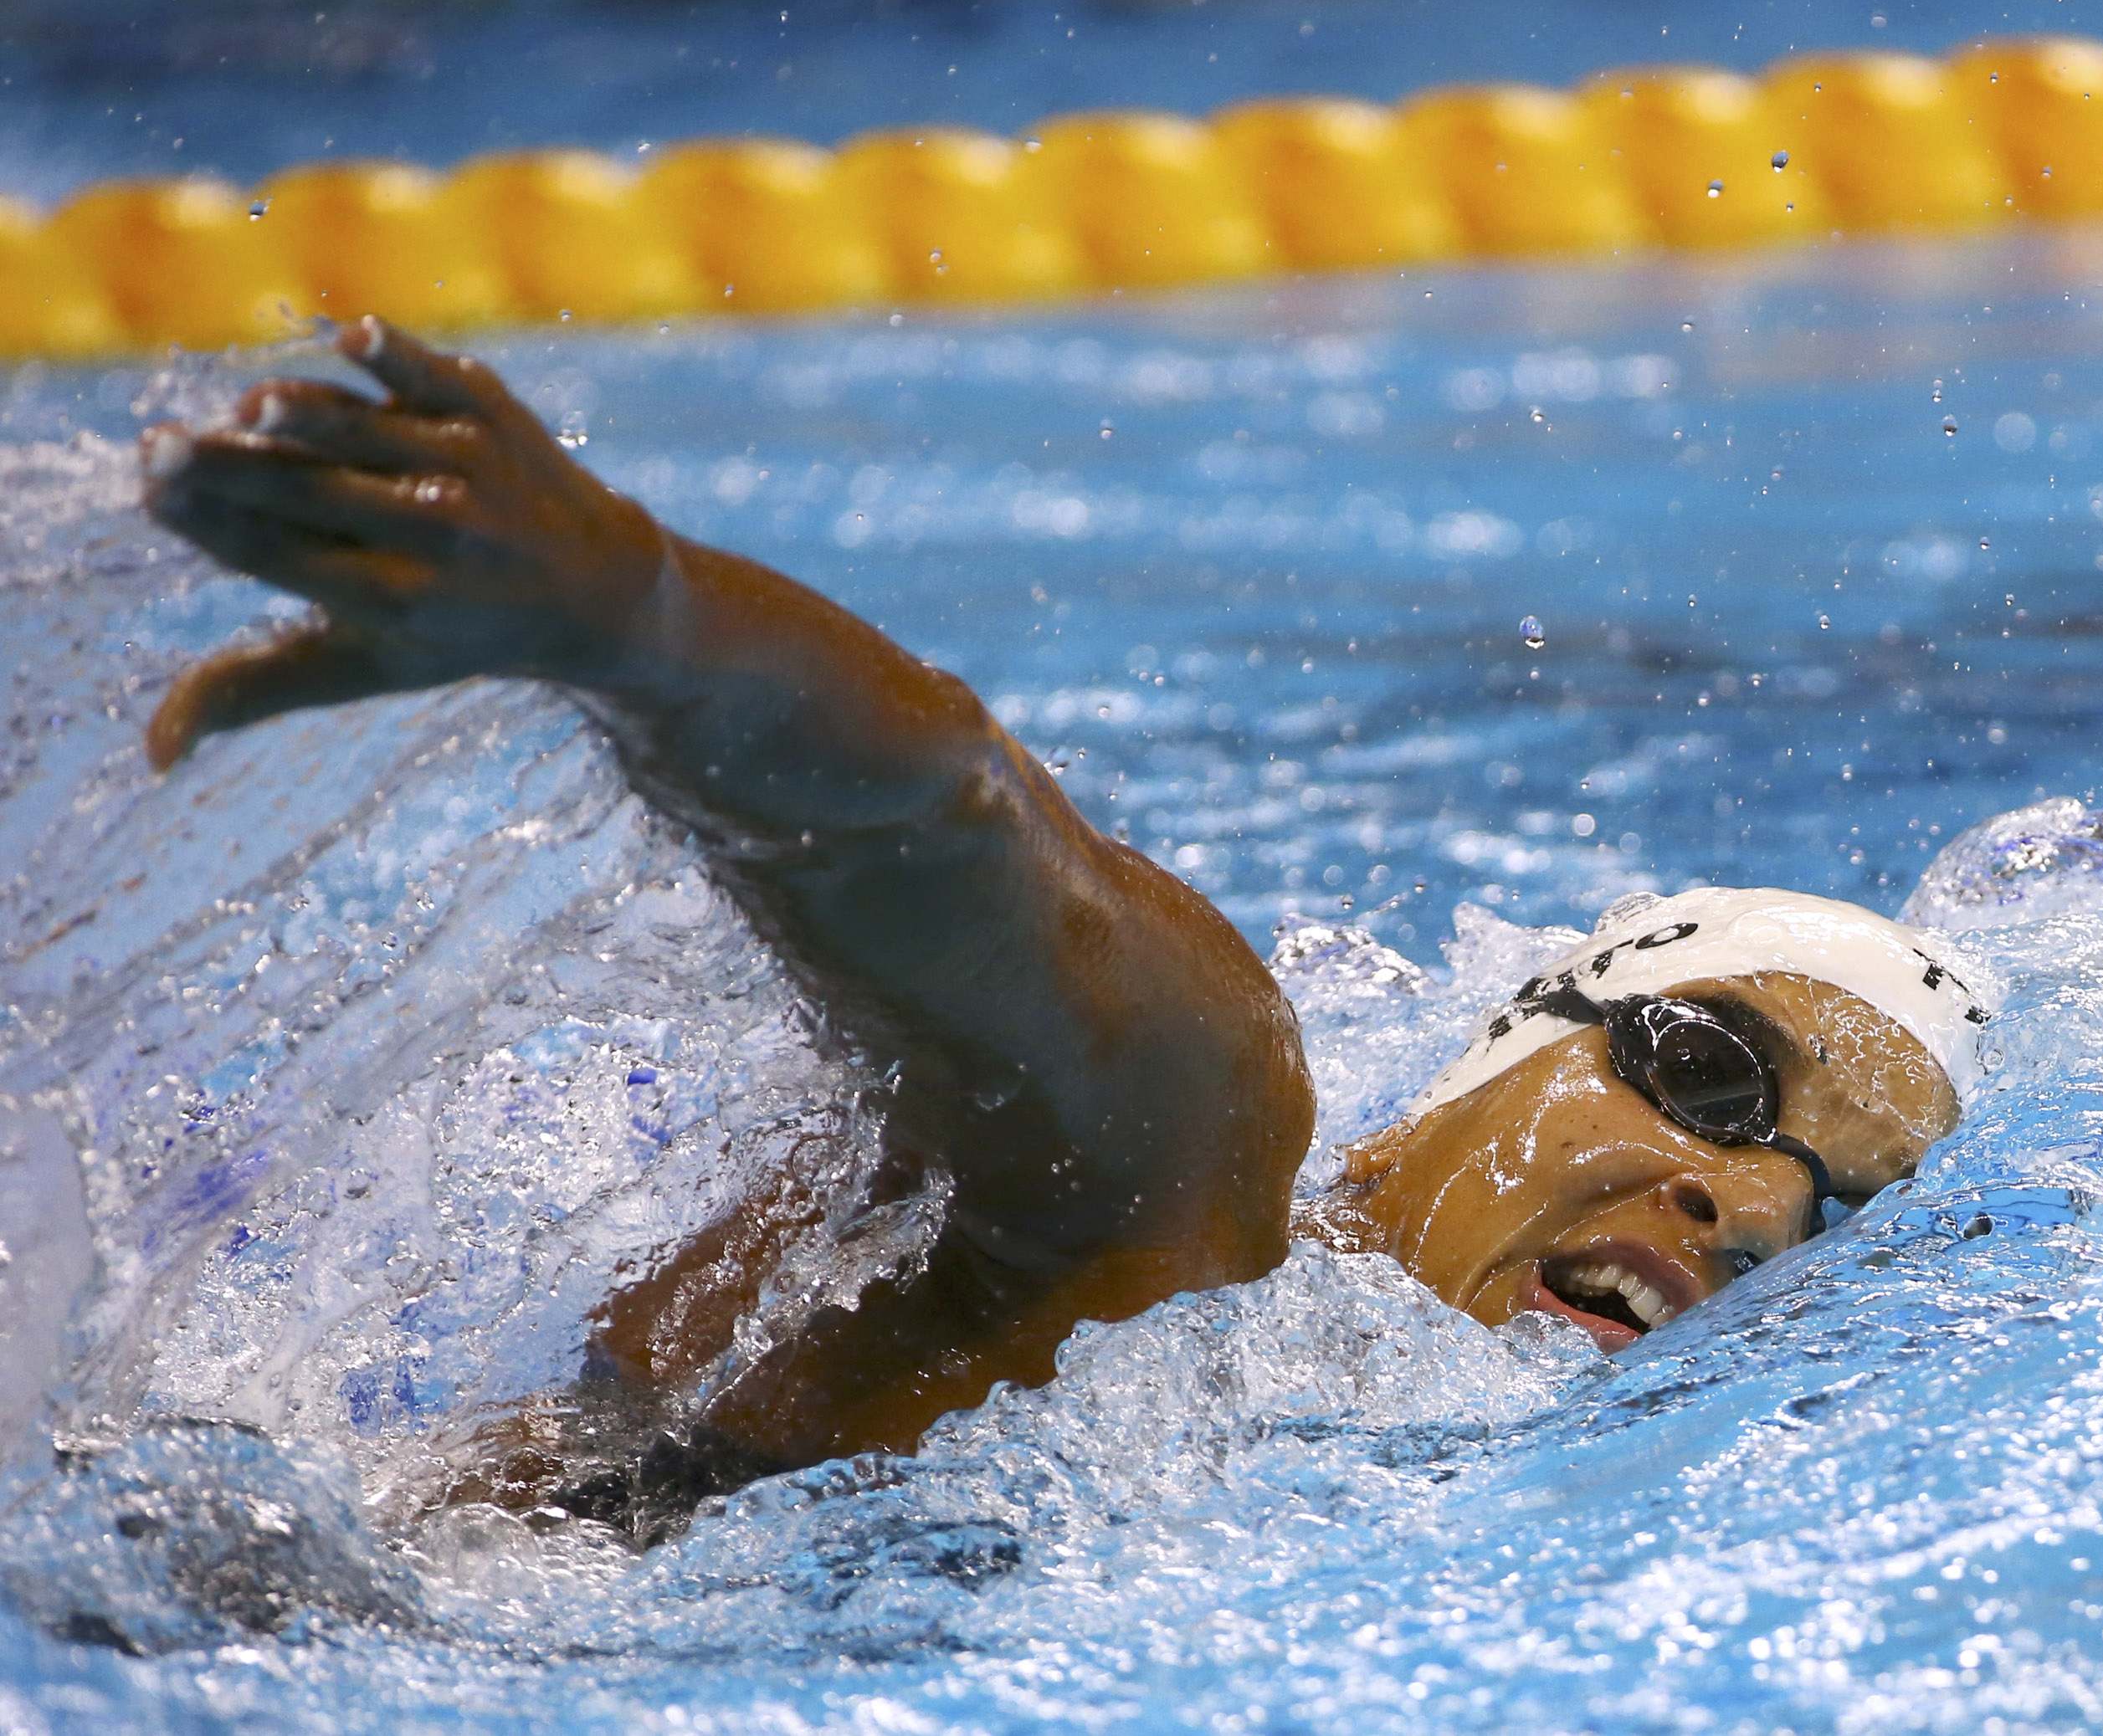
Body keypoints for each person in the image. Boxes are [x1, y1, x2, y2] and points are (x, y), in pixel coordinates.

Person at [137, 319, 1996, 1531]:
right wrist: (636, 616)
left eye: (1840, 1209)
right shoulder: (1194, 1202)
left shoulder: (1375, 1454)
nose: (1749, 1209)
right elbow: (963, 840)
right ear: (1509, 1044)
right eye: (1709, 1075)